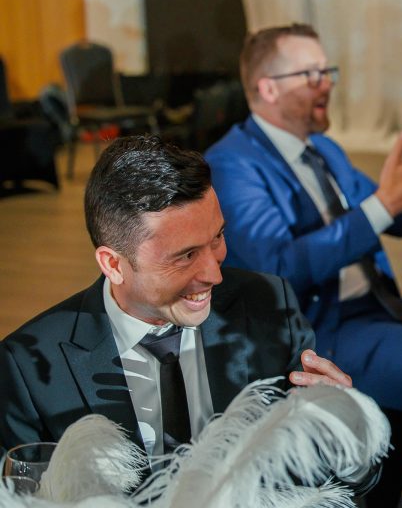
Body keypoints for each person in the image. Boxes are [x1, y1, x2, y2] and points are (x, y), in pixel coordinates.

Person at [204, 23, 402, 508]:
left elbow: (396, 209)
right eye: (311, 74)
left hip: (378, 308)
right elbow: (279, 266)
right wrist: (383, 205)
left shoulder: (322, 150)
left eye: (328, 71)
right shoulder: (232, 164)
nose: (327, 83)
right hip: (321, 330)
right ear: (268, 88)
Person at [0, 136, 352, 463]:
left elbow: (337, 477)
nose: (214, 274)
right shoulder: (24, 372)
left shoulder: (271, 305)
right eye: (186, 256)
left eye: (217, 237)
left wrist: (346, 432)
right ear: (113, 264)